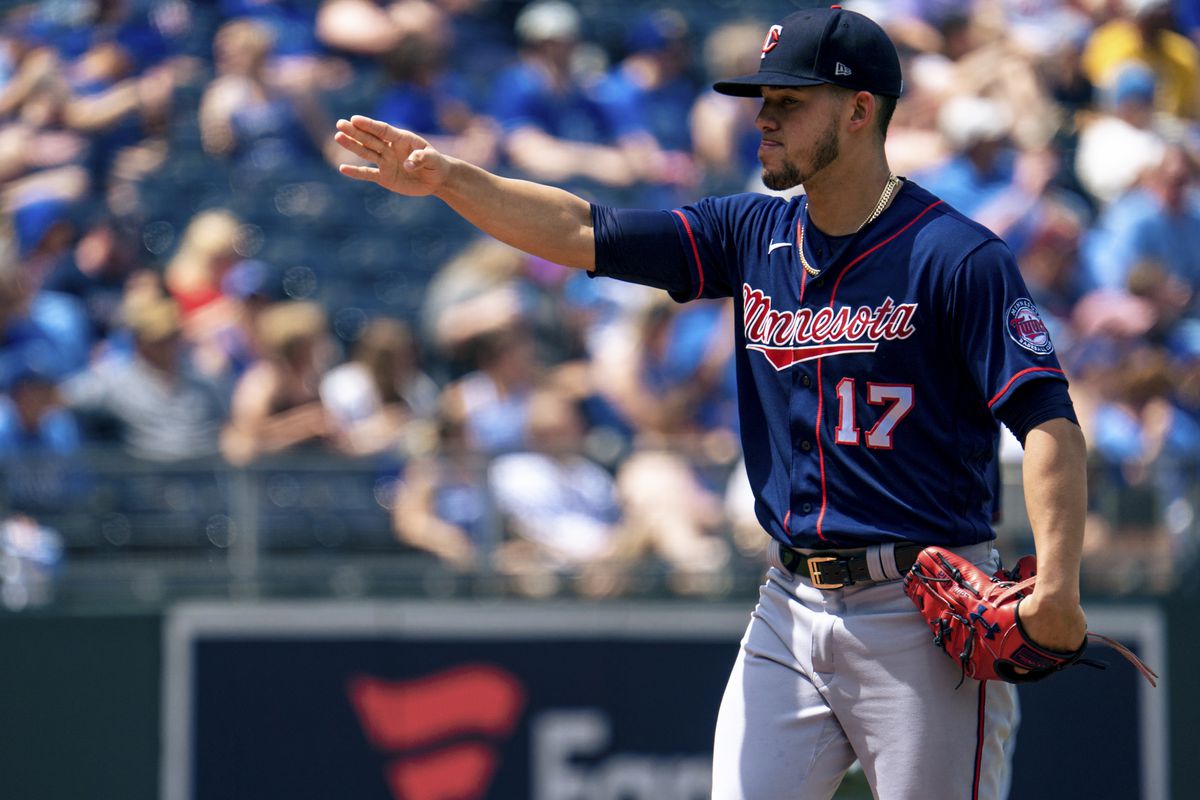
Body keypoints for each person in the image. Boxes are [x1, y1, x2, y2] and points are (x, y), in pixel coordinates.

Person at [333, 6, 1089, 798]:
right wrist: (450, 179)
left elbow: (1047, 422)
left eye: (789, 101)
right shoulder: (751, 233)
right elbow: (586, 230)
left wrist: (1058, 586)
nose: (764, 119)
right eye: (763, 100)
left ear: (859, 110)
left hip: (923, 607)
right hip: (789, 601)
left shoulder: (957, 256)